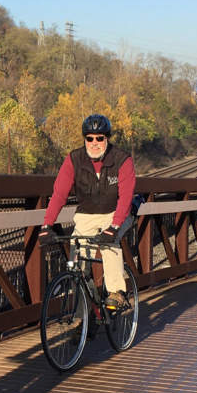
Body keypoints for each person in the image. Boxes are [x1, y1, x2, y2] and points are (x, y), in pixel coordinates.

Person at [38, 114, 136, 308]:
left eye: (100, 138)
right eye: (89, 138)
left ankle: (117, 292)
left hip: (116, 212)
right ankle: (85, 312)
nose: (94, 143)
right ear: (84, 139)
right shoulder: (74, 159)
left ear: (107, 138)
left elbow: (125, 198)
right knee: (79, 255)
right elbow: (59, 194)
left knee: (109, 243)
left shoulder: (122, 160)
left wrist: (114, 226)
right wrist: (46, 224)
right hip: (87, 214)